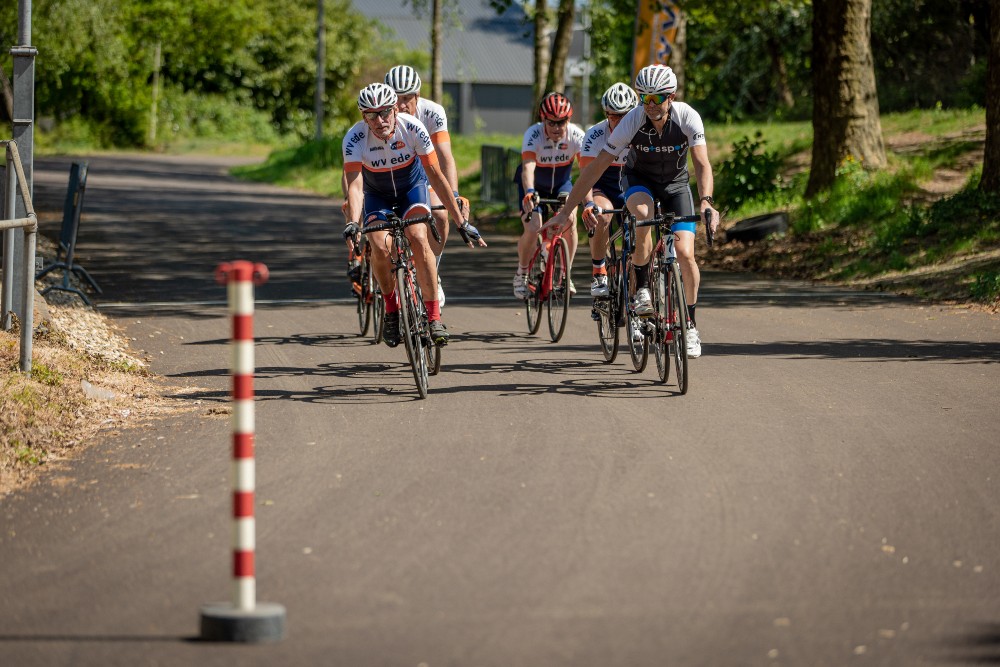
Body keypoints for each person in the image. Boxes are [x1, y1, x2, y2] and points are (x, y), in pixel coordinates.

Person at [545, 65, 719, 358]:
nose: (650, 105)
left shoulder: (688, 117)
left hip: (676, 185)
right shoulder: (633, 121)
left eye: (657, 98)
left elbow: (702, 163)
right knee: (642, 216)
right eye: (645, 98)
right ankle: (642, 288)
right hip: (638, 181)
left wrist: (706, 201)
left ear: (671, 97)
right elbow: (595, 168)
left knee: (686, 254)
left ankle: (689, 324)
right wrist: (566, 212)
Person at [341, 82, 485, 348]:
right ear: (364, 117)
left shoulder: (413, 128)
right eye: (371, 115)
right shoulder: (354, 138)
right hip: (377, 195)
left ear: (395, 109)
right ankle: (392, 311)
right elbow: (355, 184)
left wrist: (460, 220)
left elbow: (436, 176)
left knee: (419, 236)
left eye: (385, 112)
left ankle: (433, 317)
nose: (380, 120)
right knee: (380, 245)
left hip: (412, 188)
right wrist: (352, 222)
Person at [383, 65, 467, 308]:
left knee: (441, 215)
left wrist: (454, 195)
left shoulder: (433, 112)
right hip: (393, 173)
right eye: (395, 99)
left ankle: (433, 272)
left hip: (426, 171)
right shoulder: (381, 113)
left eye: (406, 98)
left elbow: (445, 157)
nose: (400, 105)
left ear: (417, 96)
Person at [512, 92, 585, 299]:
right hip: (535, 185)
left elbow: (586, 171)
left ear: (568, 120)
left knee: (570, 221)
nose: (556, 128)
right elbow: (528, 168)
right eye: (551, 123)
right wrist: (529, 192)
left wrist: (587, 201)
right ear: (543, 120)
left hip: (562, 184)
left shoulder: (577, 135)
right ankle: (522, 273)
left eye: (561, 122)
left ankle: (565, 273)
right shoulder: (533, 134)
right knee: (533, 227)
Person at [580, 82, 640, 304]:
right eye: (613, 116)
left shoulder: (643, 131)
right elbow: (586, 177)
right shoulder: (595, 135)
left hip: (632, 185)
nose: (619, 122)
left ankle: (637, 286)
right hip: (603, 185)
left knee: (642, 223)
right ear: (606, 114)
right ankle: (598, 272)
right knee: (601, 215)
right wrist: (588, 204)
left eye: (625, 116)